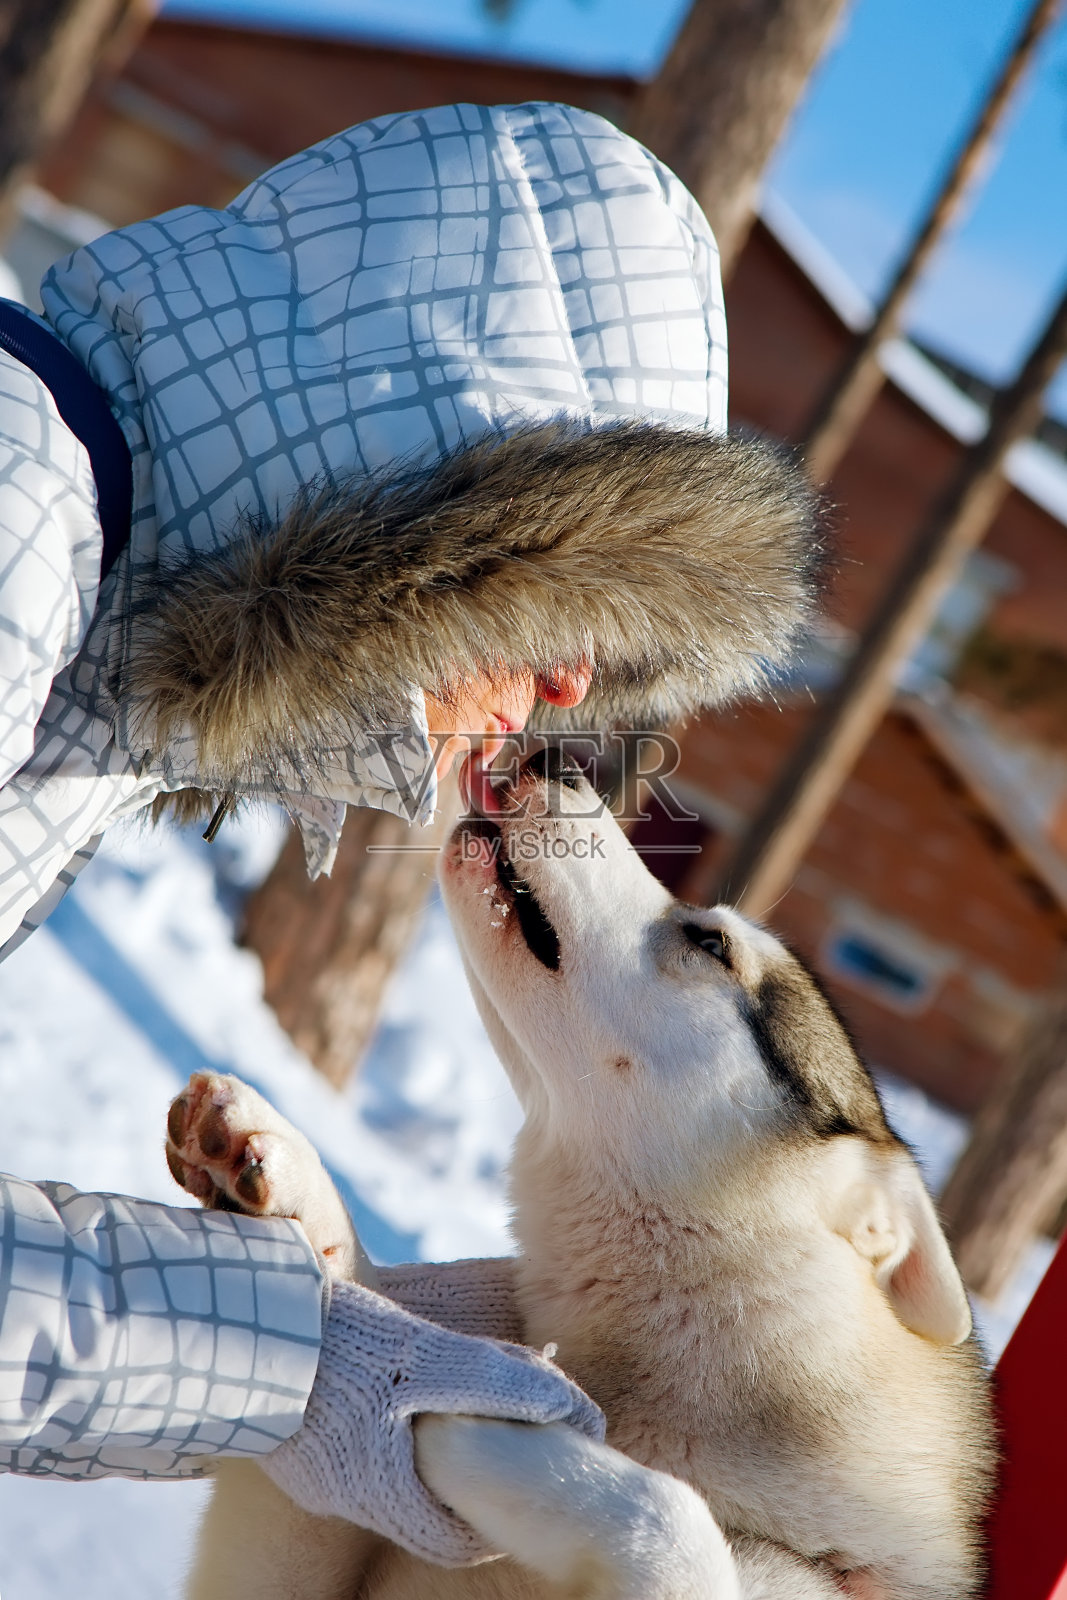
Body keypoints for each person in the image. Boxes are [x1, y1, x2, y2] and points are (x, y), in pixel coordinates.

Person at [0, 101, 820, 1556]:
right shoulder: (20, 521)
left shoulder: (76, 589)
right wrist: (295, 1367)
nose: (566, 691)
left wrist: (342, 1334)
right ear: (430, 512)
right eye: (554, 604)